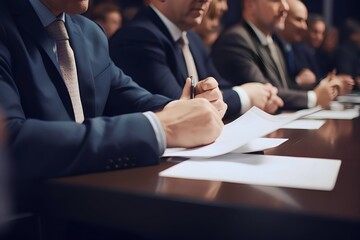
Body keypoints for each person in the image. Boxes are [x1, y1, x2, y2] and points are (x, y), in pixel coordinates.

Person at [0, 0, 227, 180]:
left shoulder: (90, 33)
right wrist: (162, 127)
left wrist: (185, 108)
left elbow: (126, 95)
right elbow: (10, 144)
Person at [110, 0, 284, 121]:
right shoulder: (139, 37)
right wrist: (246, 96)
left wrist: (259, 95)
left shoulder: (192, 38)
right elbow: (179, 105)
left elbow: (218, 87)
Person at [212, 0, 346, 110]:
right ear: (250, 5)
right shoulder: (236, 39)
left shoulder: (274, 43)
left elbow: (285, 87)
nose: (285, 7)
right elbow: (266, 92)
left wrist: (323, 88)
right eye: (276, 1)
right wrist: (314, 97)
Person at [275, 0, 317, 90]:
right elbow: (275, 87)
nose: (304, 27)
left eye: (305, 21)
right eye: (299, 20)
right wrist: (298, 81)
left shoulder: (298, 48)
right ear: (283, 18)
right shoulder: (271, 45)